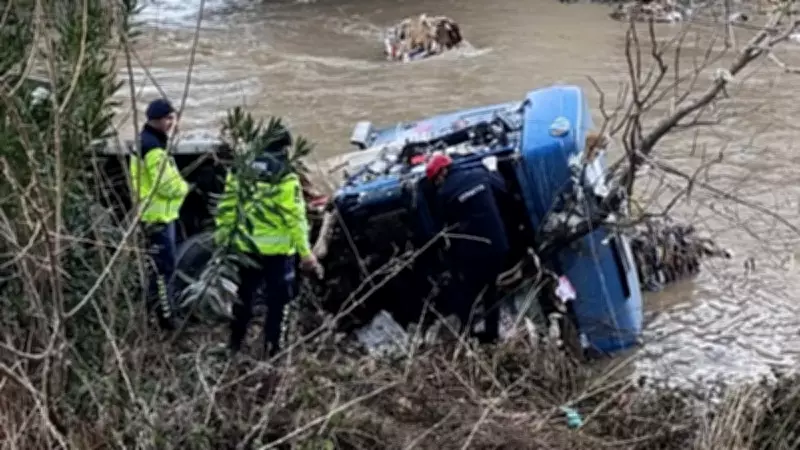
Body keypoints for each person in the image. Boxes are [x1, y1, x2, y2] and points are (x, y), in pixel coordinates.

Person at [214, 125, 323, 358]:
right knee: (278, 304)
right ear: (284, 148)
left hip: (247, 247)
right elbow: (294, 218)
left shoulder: (241, 169)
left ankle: (234, 345)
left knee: (244, 297)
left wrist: (223, 237)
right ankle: (273, 352)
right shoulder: (284, 175)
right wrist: (305, 253)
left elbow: (228, 205)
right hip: (278, 251)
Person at [426, 153, 512, 344]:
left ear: (443, 172)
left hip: (474, 252)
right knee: (491, 290)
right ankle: (491, 335)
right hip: (498, 245)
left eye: (436, 180)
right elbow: (502, 187)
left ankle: (467, 335)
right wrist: (492, 168)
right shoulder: (479, 175)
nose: (437, 183)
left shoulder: (444, 194)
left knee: (466, 292)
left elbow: (441, 228)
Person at [129, 98, 189, 331]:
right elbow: (167, 186)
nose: (173, 123)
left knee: (157, 269)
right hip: (158, 218)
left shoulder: (145, 141)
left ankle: (151, 315)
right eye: (170, 119)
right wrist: (184, 188)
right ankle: (166, 319)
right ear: (162, 120)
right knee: (164, 270)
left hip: (150, 214)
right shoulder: (153, 149)